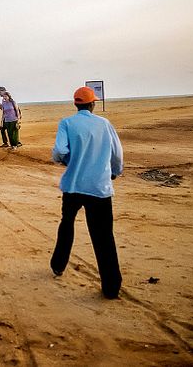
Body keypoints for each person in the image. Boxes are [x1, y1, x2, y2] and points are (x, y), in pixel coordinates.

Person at [50, 86, 124, 299]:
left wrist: (68, 161)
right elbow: (117, 154)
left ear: (76, 104)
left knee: (67, 224)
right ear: (92, 104)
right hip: (99, 188)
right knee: (103, 237)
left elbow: (60, 151)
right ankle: (111, 287)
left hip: (73, 185)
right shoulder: (104, 124)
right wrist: (115, 172)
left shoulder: (66, 123)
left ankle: (58, 265)